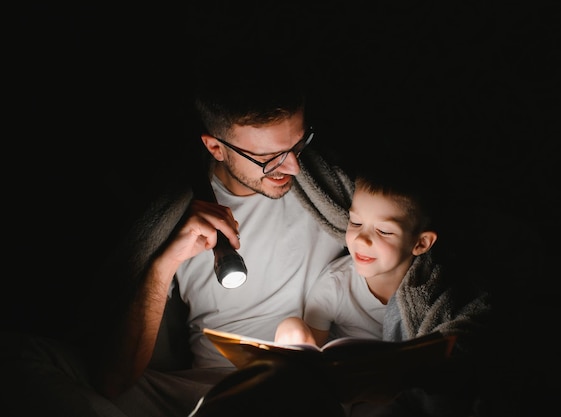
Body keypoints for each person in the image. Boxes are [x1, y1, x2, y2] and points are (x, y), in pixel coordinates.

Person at [3, 49, 353, 417]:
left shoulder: (334, 195)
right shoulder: (176, 216)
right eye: (269, 158)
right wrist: (164, 263)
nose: (293, 166)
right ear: (215, 147)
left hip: (307, 383)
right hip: (206, 387)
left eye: (298, 144)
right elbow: (114, 379)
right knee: (17, 356)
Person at [275, 163, 493, 417]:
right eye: (356, 222)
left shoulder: (431, 288)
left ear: (420, 243)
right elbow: (310, 352)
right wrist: (292, 329)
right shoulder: (335, 285)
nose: (362, 239)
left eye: (384, 231)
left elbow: (466, 334)